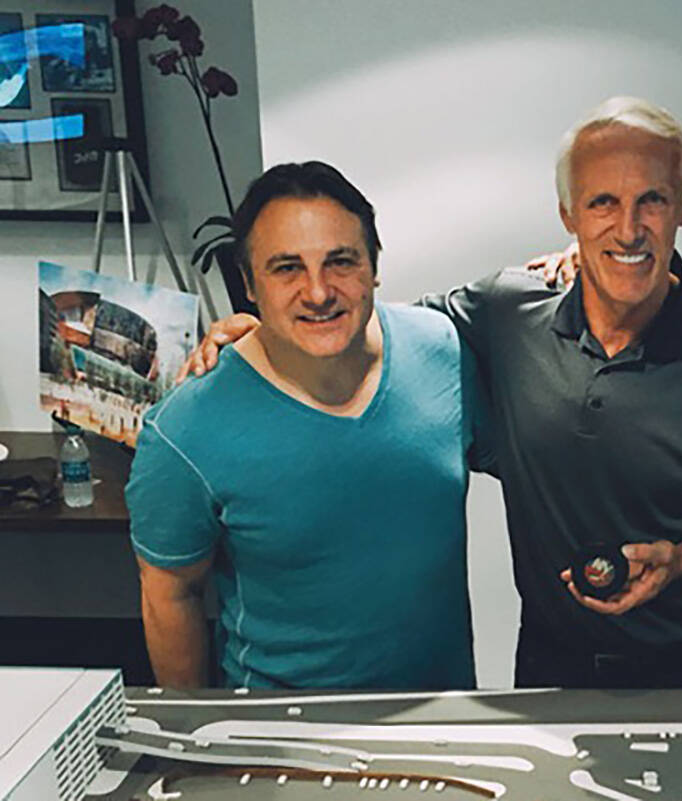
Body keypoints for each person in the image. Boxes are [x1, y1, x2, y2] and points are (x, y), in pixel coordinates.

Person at [182, 98, 682, 690]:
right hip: (551, 666)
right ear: (568, 215)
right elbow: (362, 326)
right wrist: (265, 330)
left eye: (652, 200)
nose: (628, 228)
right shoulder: (508, 311)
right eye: (602, 204)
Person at [126, 161, 488, 690]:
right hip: (280, 734)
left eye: (340, 261)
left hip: (442, 717)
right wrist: (195, 735)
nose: (318, 292)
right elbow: (169, 595)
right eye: (287, 268)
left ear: (374, 266)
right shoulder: (185, 431)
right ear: (248, 283)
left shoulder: (444, 351)